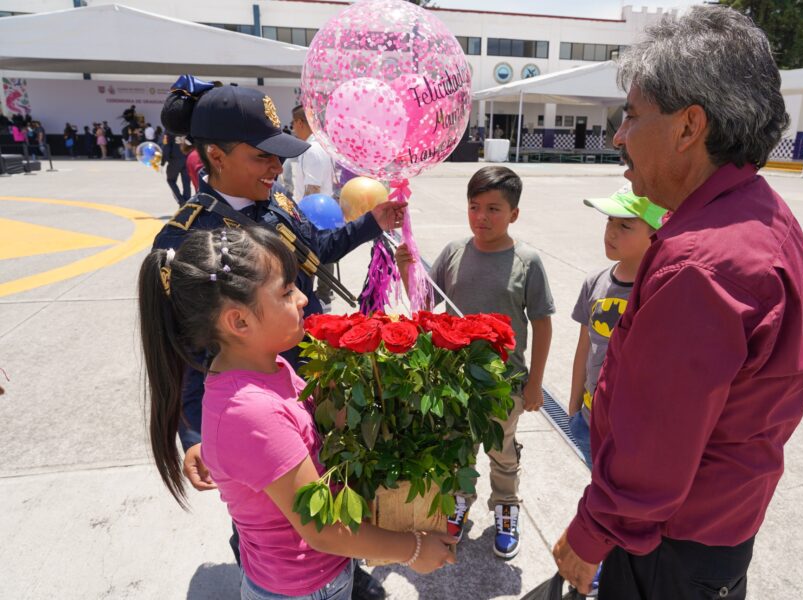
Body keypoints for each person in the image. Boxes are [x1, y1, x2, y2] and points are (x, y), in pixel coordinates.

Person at [552, 7, 803, 598]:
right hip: (717, 532)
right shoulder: (756, 210)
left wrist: (592, 532)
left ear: (688, 126)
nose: (619, 136)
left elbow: (658, 444)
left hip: (666, 547)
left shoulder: (703, 263)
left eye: (631, 116)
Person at [152, 76, 405, 600]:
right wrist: (193, 435)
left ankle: (336, 569)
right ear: (216, 156)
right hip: (247, 406)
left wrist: (372, 224)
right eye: (262, 156)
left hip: (303, 384)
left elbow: (318, 249)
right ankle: (271, 579)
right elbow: (182, 352)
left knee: (323, 490)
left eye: (279, 155)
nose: (276, 167)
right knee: (263, 511)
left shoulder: (279, 207)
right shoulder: (187, 240)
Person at [138, 226, 456, 600]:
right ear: (239, 322)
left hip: (319, 571)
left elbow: (311, 429)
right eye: (287, 291)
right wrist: (413, 549)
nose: (304, 299)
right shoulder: (250, 413)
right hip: (302, 587)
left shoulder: (269, 367)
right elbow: (322, 528)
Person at [396, 165, 555, 560]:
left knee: (502, 451)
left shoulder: (527, 261)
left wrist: (534, 384)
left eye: (494, 209)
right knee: (459, 448)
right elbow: (424, 305)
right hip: (455, 383)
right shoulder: (453, 253)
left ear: (514, 214)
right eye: (474, 206)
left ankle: (505, 508)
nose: (482, 217)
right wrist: (404, 269)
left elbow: (542, 324)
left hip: (505, 385)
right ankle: (459, 500)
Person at [568, 185, 664, 468]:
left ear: (655, 233)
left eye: (625, 225)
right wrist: (574, 404)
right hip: (588, 420)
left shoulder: (658, 291)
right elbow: (584, 347)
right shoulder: (595, 282)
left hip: (633, 433)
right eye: (609, 220)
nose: (611, 232)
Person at [285, 104, 338, 310]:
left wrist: (301, 220)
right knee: (323, 254)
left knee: (315, 257)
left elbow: (312, 190)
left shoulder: (312, 149)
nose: (294, 129)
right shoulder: (321, 146)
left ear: (300, 123)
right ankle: (324, 294)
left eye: (294, 125)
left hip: (314, 213)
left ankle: (322, 296)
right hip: (322, 211)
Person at [161, 133, 191, 205]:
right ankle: (187, 202)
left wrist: (163, 162)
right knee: (186, 182)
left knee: (170, 180)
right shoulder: (186, 129)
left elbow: (166, 148)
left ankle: (181, 201)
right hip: (187, 158)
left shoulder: (169, 131)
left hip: (174, 160)